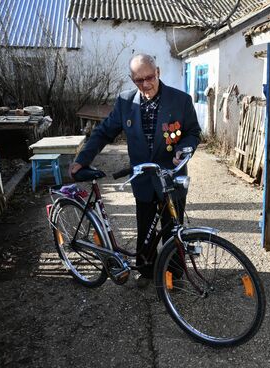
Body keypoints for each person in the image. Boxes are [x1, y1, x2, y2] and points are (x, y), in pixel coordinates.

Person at [69, 54, 201, 287]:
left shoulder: (180, 100)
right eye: (139, 80)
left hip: (171, 176)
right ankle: (146, 270)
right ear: (132, 79)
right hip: (142, 179)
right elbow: (104, 132)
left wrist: (184, 148)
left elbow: (192, 131)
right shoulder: (125, 102)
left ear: (158, 71)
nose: (146, 84)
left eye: (149, 77)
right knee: (145, 226)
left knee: (173, 227)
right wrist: (83, 158)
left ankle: (175, 273)